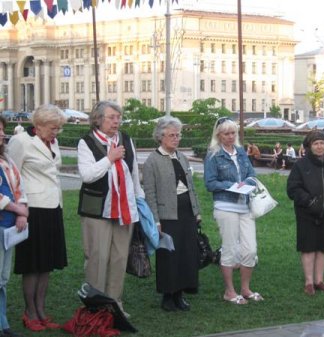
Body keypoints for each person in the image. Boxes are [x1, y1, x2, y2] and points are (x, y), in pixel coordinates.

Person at [77, 101, 144, 317]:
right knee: (97, 258)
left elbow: (133, 174)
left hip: (125, 210)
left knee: (118, 258)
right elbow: (87, 176)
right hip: (98, 211)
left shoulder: (125, 139)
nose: (116, 121)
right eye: (111, 117)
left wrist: (139, 202)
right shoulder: (86, 142)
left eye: (118, 117)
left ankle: (115, 304)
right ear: (98, 119)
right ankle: (95, 306)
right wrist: (109, 158)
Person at [8, 104, 67, 332]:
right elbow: (13, 177)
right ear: (39, 125)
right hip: (33, 209)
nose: (56, 132)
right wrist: (20, 208)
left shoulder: (52, 141)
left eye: (58, 128)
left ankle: (41, 310)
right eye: (53, 128)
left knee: (47, 264)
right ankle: (29, 312)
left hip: (53, 206)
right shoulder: (21, 141)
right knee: (32, 264)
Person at [142, 116, 201, 312]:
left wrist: (197, 212)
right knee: (169, 256)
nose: (176, 139)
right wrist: (156, 220)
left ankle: (180, 294)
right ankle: (168, 296)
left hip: (187, 213)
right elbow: (149, 193)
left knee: (186, 254)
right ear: (161, 137)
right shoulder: (152, 161)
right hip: (168, 215)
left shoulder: (182, 157)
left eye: (178, 135)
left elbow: (191, 187)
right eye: (172, 135)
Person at [204, 117, 262, 305]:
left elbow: (252, 174)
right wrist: (232, 185)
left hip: (244, 205)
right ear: (218, 135)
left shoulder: (240, 152)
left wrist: (248, 183)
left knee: (250, 249)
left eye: (233, 133)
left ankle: (245, 288)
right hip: (225, 206)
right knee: (229, 249)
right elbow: (210, 183)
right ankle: (230, 291)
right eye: (226, 133)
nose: (230, 137)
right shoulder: (213, 155)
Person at [287, 130, 324, 296]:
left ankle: (319, 281)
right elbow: (293, 189)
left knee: (322, 247)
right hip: (306, 213)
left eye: (322, 143)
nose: (319, 147)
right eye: (315, 144)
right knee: (308, 247)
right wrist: (309, 201)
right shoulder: (301, 165)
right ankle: (308, 282)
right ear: (309, 146)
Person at [0, 116, 28, 337]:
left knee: (3, 278)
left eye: (2, 130)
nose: (2, 134)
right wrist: (17, 209)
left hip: (8, 227)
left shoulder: (6, 159)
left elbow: (19, 186)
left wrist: (22, 210)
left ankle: (3, 322)